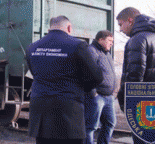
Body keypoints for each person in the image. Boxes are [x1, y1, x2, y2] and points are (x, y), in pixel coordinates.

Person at [26, 15, 103, 144]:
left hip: (41, 110)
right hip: (68, 110)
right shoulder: (78, 45)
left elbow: (35, 74)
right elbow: (97, 77)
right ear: (69, 27)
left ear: (49, 28)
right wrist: (84, 87)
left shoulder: (32, 47)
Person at [116, 7, 155, 144]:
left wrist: (123, 98)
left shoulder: (137, 40)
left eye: (120, 24)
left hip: (140, 103)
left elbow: (134, 77)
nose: (120, 29)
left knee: (143, 139)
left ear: (130, 21)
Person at [84, 30, 116, 144]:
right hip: (97, 96)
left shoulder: (106, 53)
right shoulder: (92, 51)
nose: (111, 43)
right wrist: (93, 92)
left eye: (112, 41)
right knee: (91, 126)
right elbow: (86, 72)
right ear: (100, 39)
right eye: (109, 41)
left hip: (109, 97)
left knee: (110, 123)